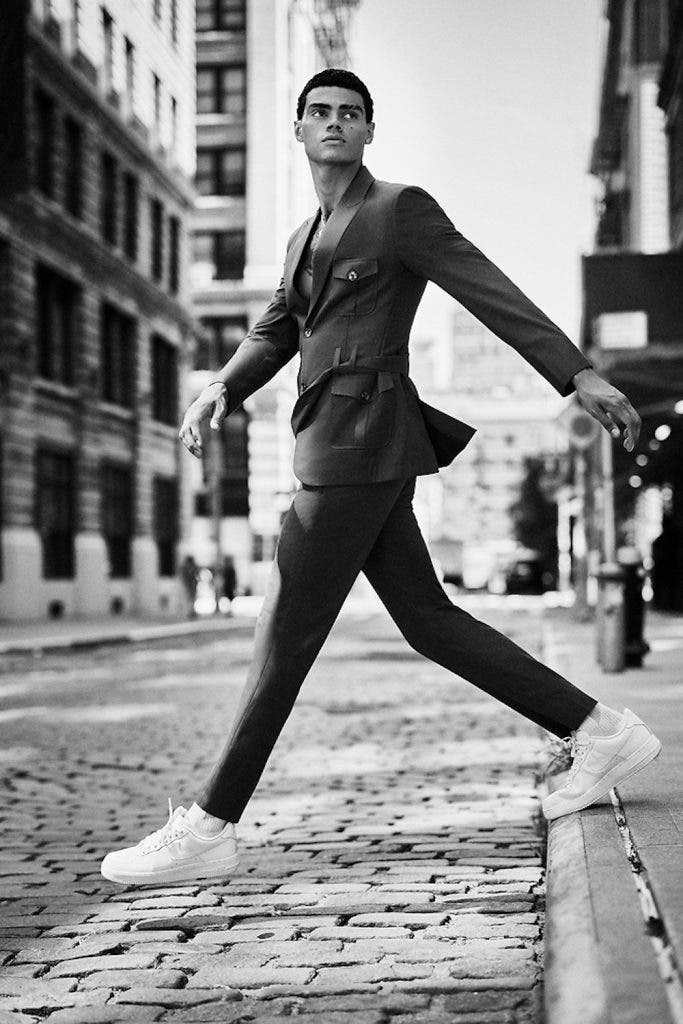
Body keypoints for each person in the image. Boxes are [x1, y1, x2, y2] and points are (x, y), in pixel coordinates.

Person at [101, 69, 661, 885]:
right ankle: (597, 728)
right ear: (297, 130)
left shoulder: (398, 209)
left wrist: (573, 374)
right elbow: (279, 326)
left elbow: (484, 286)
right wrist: (221, 385)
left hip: (360, 444)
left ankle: (211, 819)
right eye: (320, 113)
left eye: (350, 114)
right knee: (428, 620)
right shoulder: (303, 237)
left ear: (368, 131)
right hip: (332, 441)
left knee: (282, 634)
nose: (334, 123)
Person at [178, 554, 198, 620]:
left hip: (191, 586)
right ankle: (189, 612)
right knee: (188, 599)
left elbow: (194, 577)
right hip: (188, 586)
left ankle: (191, 612)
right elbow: (184, 577)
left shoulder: (192, 567)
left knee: (191, 599)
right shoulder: (185, 568)